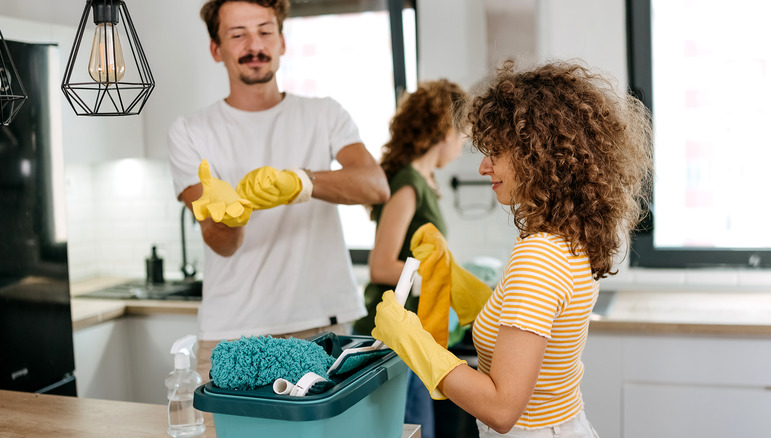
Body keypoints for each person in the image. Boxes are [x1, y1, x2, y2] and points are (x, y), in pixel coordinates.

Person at [372, 59, 653, 437]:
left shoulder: (539, 256)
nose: (483, 167)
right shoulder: (565, 237)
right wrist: (453, 277)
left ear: (539, 155)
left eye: (496, 152)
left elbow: (501, 409)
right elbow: (522, 322)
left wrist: (411, 339)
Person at [167, 0, 390, 382]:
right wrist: (233, 216)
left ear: (282, 41)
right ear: (216, 49)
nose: (255, 45)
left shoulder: (324, 114)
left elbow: (375, 185)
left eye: (265, 31)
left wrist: (303, 182)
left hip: (323, 325)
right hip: (232, 333)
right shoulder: (191, 132)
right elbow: (220, 243)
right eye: (238, 35)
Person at [352, 79, 468, 438]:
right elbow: (382, 264)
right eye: (463, 133)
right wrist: (436, 281)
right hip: (393, 337)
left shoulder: (425, 179)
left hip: (412, 333)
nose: (464, 144)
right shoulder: (407, 183)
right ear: (445, 131)